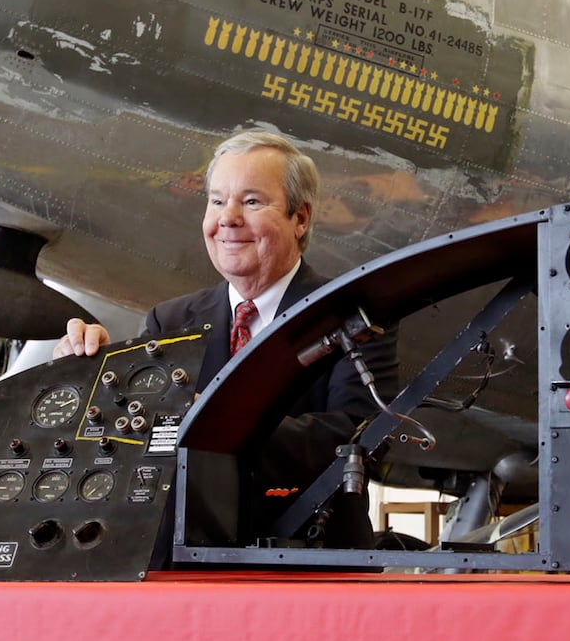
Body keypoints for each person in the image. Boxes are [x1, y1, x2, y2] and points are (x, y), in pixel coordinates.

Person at [55, 131, 399, 542]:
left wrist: (220, 423)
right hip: (183, 564)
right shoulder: (169, 321)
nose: (227, 218)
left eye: (251, 202)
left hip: (310, 565)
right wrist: (87, 379)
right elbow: (132, 445)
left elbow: (362, 442)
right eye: (217, 201)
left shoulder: (352, 313)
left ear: (300, 218)